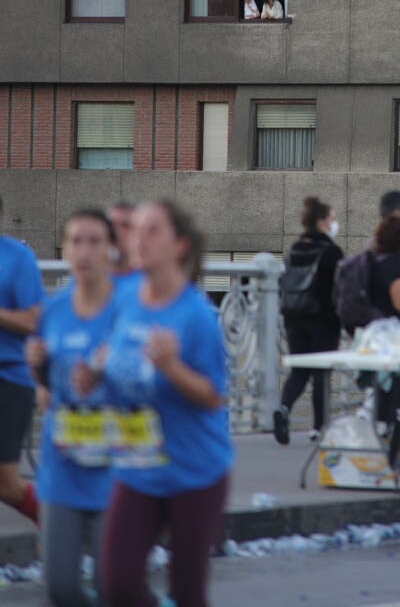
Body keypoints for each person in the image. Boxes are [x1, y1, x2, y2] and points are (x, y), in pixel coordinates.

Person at [81, 200, 233, 607]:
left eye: (153, 231)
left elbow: (213, 395)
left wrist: (171, 367)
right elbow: (113, 352)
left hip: (194, 472)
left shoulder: (195, 315)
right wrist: (93, 373)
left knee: (186, 592)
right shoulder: (124, 299)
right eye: (137, 230)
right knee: (118, 586)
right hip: (138, 468)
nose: (138, 240)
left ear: (179, 245)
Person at [27, 208, 119, 607]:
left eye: (94, 241)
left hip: (114, 468)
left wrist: (108, 374)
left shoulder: (126, 310)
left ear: (111, 250)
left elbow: (150, 387)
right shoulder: (54, 311)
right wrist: (38, 373)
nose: (84, 251)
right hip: (62, 467)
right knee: (61, 588)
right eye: (76, 241)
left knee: (112, 586)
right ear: (65, 249)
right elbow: (46, 391)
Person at [273, 197, 343, 445]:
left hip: (294, 317)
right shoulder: (332, 251)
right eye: (333, 219)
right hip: (323, 319)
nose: (335, 224)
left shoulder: (294, 249)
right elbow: (338, 289)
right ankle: (318, 427)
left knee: (300, 371)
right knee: (322, 372)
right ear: (323, 222)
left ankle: (283, 408)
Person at [0, 195, 44, 526]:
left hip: (9, 378)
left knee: (7, 484)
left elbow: (34, 321)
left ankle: (64, 531)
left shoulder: (18, 258)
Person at [106, 200, 140, 280]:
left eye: (125, 226)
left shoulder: (150, 282)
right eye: (111, 224)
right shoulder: (87, 279)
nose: (115, 231)